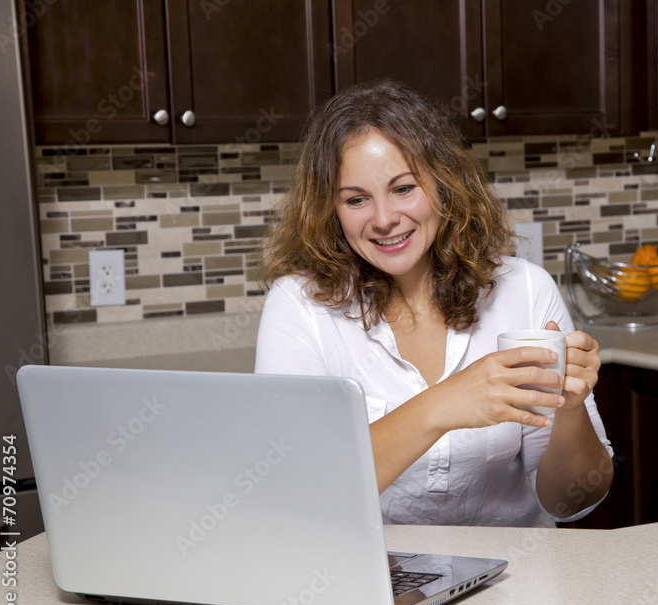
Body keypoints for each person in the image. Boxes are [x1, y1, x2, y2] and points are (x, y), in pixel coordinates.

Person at [254, 80, 613, 527]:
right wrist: (442, 405)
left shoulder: (525, 290)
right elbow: (300, 495)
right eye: (356, 199)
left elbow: (568, 502)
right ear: (330, 209)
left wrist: (571, 409)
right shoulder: (299, 307)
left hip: (520, 581)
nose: (383, 219)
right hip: (378, 583)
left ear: (443, 183)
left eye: (403, 188)